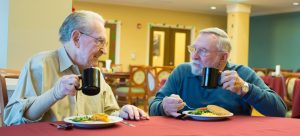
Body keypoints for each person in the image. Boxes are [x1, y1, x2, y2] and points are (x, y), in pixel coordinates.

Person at [4, 10, 149, 125]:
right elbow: (12, 119)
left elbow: (110, 112)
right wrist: (55, 93)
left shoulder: (95, 73)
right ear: (76, 38)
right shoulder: (39, 64)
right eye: (99, 42)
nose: (104, 51)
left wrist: (123, 112)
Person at [149, 27, 287, 117]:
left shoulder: (242, 74)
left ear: (223, 57)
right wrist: (164, 107)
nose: (194, 56)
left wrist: (246, 89)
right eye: (193, 49)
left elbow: (279, 111)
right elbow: (153, 107)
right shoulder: (182, 71)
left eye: (203, 51)